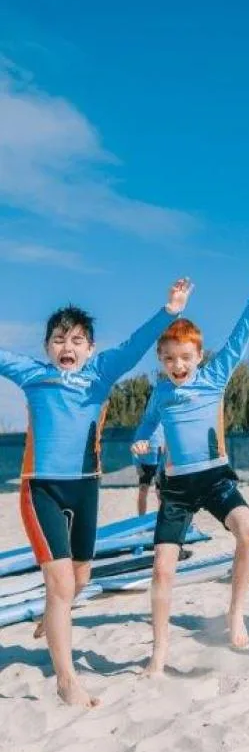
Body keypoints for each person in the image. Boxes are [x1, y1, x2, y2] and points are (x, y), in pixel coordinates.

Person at [0, 277, 193, 706]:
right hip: (42, 490)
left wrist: (170, 311)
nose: (67, 346)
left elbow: (134, 345)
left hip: (87, 490)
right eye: (58, 339)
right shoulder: (33, 375)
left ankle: (56, 617)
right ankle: (66, 680)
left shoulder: (101, 373)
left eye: (77, 340)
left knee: (80, 579)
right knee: (61, 585)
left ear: (89, 347)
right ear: (47, 346)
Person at [132, 271, 249, 675]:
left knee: (248, 533)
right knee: (162, 569)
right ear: (161, 360)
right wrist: (142, 447)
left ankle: (235, 613)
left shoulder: (215, 376)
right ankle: (159, 652)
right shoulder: (160, 393)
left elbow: (239, 339)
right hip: (176, 488)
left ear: (199, 355)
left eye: (185, 357)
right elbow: (146, 432)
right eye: (169, 358)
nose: (178, 365)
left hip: (214, 477)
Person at [135, 427, 164, 516]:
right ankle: (141, 518)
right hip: (145, 465)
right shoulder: (143, 427)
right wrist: (138, 466)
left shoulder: (162, 427)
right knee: (143, 491)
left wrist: (160, 469)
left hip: (159, 464)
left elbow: (164, 450)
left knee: (160, 494)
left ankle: (161, 518)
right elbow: (135, 447)